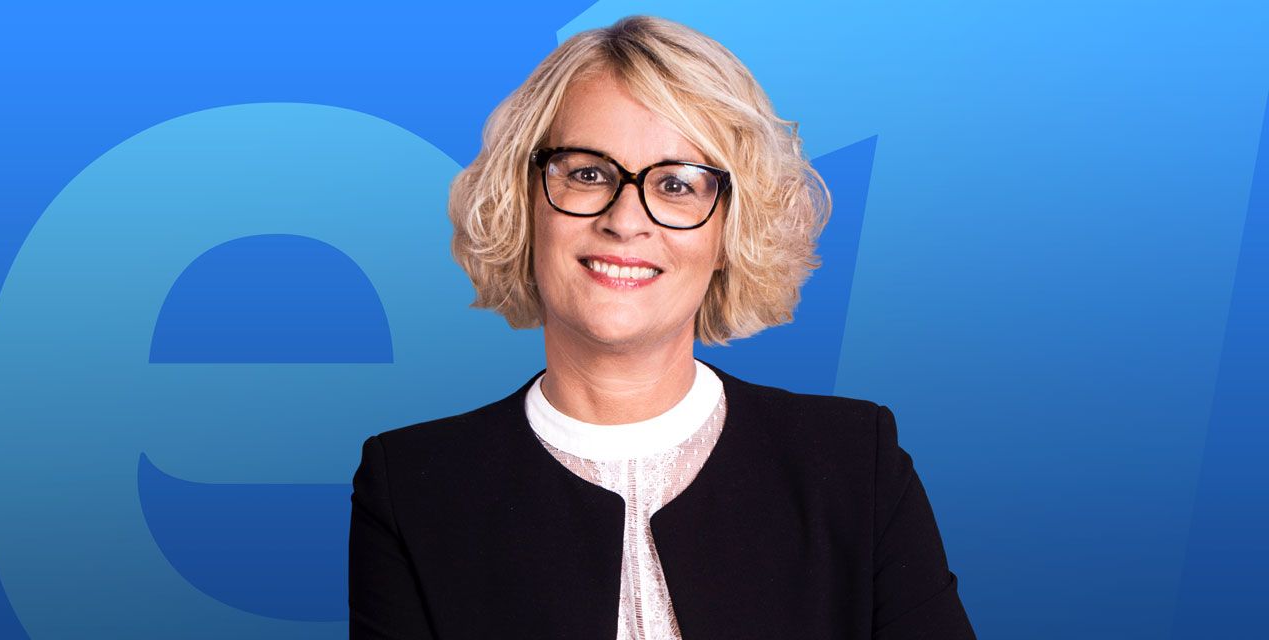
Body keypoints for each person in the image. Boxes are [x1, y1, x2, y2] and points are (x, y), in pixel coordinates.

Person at [349, 14, 975, 640]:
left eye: (677, 184)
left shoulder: (854, 464)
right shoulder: (413, 489)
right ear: (525, 202)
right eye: (587, 173)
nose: (625, 221)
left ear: (731, 229)